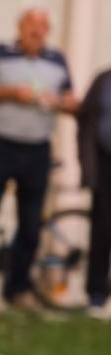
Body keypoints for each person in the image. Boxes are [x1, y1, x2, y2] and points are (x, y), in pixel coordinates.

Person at [0, 5, 77, 309]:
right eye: (31, 25)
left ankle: (17, 291)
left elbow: (73, 103)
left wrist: (59, 102)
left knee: (30, 225)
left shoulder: (57, 61)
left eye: (42, 26)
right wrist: (12, 93)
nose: (36, 31)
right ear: (20, 27)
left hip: (36, 151)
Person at [75, 64, 111, 320]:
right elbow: (84, 120)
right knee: (102, 230)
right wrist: (88, 168)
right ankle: (96, 296)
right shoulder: (103, 80)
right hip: (105, 164)